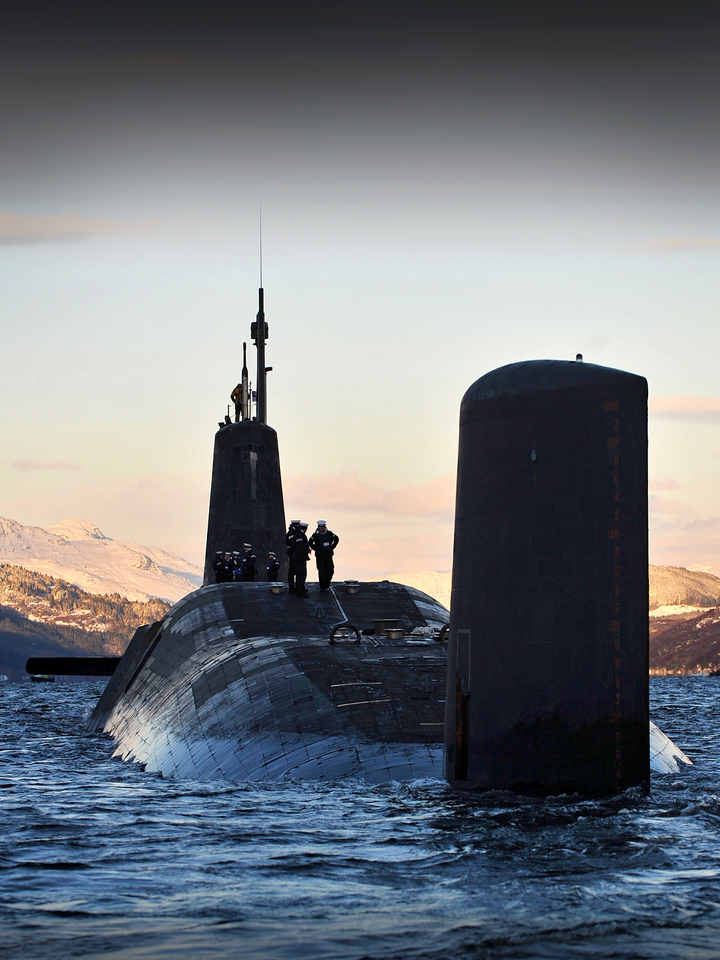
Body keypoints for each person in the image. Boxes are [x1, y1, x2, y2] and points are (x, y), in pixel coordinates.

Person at [309, 520, 339, 591]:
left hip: (328, 555)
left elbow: (336, 539)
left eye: (322, 527)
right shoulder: (315, 535)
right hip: (320, 556)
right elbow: (310, 542)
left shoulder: (329, 534)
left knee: (330, 570)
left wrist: (332, 547)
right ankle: (322, 586)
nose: (321, 529)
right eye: (320, 527)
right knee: (321, 571)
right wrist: (316, 549)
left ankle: (327, 583)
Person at [287, 521, 311, 596]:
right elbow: (300, 548)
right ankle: (300, 591)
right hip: (299, 558)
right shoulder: (300, 535)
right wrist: (303, 557)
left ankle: (299, 588)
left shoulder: (297, 534)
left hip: (296, 557)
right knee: (301, 574)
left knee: (299, 573)